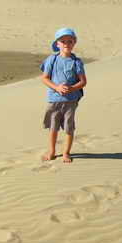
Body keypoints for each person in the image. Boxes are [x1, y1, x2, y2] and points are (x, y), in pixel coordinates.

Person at [40, 27, 87, 163]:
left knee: (69, 127)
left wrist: (71, 88)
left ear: (74, 43)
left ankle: (66, 153)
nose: (67, 44)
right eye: (63, 41)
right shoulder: (51, 59)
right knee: (53, 128)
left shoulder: (76, 62)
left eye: (70, 41)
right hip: (54, 100)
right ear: (57, 44)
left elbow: (83, 82)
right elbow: (44, 78)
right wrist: (57, 87)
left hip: (70, 101)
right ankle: (52, 151)